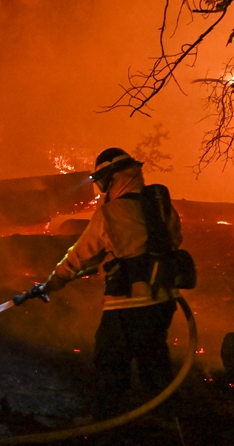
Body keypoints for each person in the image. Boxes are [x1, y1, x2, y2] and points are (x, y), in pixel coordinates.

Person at [37, 148, 183, 417]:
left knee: (110, 367)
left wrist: (53, 282)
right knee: (155, 365)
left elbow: (79, 254)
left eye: (102, 181)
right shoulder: (160, 205)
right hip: (163, 301)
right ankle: (167, 424)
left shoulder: (109, 214)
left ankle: (108, 426)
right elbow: (171, 240)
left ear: (113, 178)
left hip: (126, 306)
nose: (101, 188)